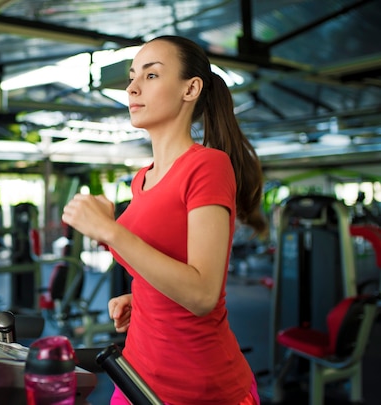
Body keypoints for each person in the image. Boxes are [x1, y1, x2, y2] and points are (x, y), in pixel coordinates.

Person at [61, 36, 266, 405]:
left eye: (151, 76)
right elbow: (165, 257)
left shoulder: (207, 165)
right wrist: (144, 295)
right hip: (135, 373)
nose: (132, 87)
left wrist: (109, 230)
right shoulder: (142, 177)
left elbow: (202, 294)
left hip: (197, 386)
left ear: (191, 88)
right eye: (131, 76)